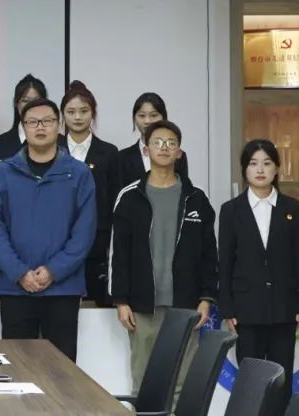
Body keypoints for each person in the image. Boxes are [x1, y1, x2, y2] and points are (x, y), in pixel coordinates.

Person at [110, 120, 217, 394]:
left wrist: (206, 298)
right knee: (144, 382)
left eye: (171, 143)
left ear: (179, 152)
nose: (164, 147)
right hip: (142, 305)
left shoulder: (196, 198)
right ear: (146, 150)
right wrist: (121, 300)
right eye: (157, 142)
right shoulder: (130, 197)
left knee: (182, 383)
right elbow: (118, 252)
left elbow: (209, 254)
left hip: (185, 304)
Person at [0, 98, 95, 362]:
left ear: (59, 126)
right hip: (15, 288)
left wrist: (53, 271)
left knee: (62, 371)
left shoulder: (79, 173)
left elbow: (84, 232)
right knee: (15, 367)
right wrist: (19, 272)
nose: (40, 127)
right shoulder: (4, 172)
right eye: (33, 122)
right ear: (23, 127)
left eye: (47, 121)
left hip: (62, 289)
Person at [219, 139, 299, 413]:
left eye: (267, 163)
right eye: (253, 163)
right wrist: (227, 308)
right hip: (246, 310)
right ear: (244, 170)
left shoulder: (290, 208)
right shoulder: (231, 210)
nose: (260, 170)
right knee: (251, 381)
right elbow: (225, 262)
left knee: (281, 382)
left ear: (276, 169)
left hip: (284, 308)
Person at [60, 81, 120, 307]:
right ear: (62, 115)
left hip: (97, 244)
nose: (77, 117)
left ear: (93, 113)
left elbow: (115, 200)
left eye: (84, 111)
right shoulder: (52, 148)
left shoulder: (109, 152)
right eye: (71, 111)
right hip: (58, 244)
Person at [115, 92, 190, 198]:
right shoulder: (121, 157)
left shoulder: (177, 155)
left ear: (164, 117)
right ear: (134, 118)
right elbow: (119, 196)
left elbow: (183, 192)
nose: (147, 121)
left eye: (154, 115)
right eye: (142, 115)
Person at [0, 73, 61, 174]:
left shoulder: (60, 142)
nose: (31, 105)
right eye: (25, 100)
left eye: (36, 100)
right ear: (16, 103)